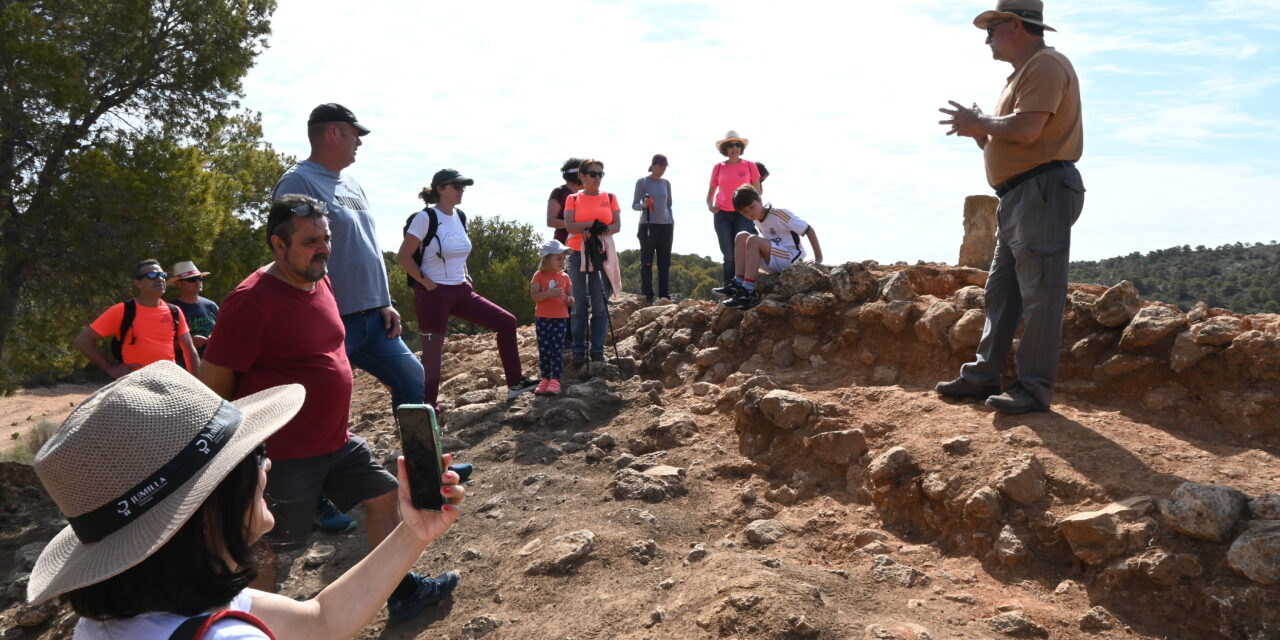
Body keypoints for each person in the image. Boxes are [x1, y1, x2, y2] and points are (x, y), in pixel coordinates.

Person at [26, 361, 465, 639]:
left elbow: (320, 621)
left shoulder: (124, 614)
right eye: (254, 454)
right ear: (206, 508)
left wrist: (412, 534)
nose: (269, 464)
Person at [200, 195, 460, 623]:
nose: (322, 248)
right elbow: (214, 386)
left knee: (384, 497)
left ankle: (402, 592)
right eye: (309, 241)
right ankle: (252, 629)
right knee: (268, 549)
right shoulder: (250, 302)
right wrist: (241, 462)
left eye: (326, 239)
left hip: (335, 441)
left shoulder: (319, 278)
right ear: (278, 245)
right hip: (283, 454)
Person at [935, 0, 1084, 414]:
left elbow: (1028, 127)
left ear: (1015, 25)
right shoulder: (1022, 74)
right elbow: (1011, 137)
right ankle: (984, 375)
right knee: (1002, 292)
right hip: (1020, 195)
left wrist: (981, 123)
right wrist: (979, 131)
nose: (986, 37)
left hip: (1041, 191)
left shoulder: (1046, 65)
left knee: (1040, 293)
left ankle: (1034, 388)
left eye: (992, 27)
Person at [274, 103, 424, 413]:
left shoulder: (352, 184)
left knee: (412, 379)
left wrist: (384, 300)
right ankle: (323, 462)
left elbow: (365, 243)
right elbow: (287, 252)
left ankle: (423, 463)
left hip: (373, 316)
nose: (360, 142)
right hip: (330, 318)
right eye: (355, 134)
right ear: (333, 132)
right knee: (324, 404)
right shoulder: (297, 183)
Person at [397, 169, 538, 408]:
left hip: (461, 291)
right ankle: (428, 408)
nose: (462, 190)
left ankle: (515, 384)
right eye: (457, 186)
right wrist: (427, 283)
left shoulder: (460, 216)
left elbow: (460, 252)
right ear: (441, 189)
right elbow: (403, 257)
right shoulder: (425, 218)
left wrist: (466, 275)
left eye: (464, 186)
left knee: (506, 321)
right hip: (433, 294)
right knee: (432, 354)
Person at [74, 259, 200, 378]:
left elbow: (189, 349)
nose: (160, 279)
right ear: (137, 283)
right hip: (135, 383)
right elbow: (83, 340)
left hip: (168, 380)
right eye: (152, 276)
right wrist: (111, 368)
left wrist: (197, 384)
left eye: (162, 275)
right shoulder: (122, 310)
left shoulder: (175, 311)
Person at [721, 185, 824, 310]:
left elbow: (808, 229)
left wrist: (818, 258)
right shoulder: (757, 220)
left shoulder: (779, 214)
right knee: (741, 236)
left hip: (790, 258)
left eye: (751, 207)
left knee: (753, 240)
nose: (750, 213)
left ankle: (748, 293)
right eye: (745, 212)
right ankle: (738, 283)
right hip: (774, 259)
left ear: (760, 200)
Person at [563, 158, 622, 364]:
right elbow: (570, 226)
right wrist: (594, 225)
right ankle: (578, 349)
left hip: (601, 252)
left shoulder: (611, 197)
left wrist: (593, 228)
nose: (598, 178)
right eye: (593, 174)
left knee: (599, 304)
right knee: (578, 304)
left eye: (600, 174)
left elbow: (617, 225)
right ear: (582, 176)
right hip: (577, 251)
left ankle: (597, 350)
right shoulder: (572, 199)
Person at [705, 130, 761, 292]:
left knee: (743, 253)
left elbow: (757, 192)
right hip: (722, 215)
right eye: (730, 145)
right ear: (725, 149)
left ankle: (745, 288)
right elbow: (710, 193)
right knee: (728, 256)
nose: (734, 148)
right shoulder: (718, 168)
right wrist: (710, 205)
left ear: (741, 148)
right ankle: (728, 288)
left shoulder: (750, 166)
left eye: (737, 145)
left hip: (743, 214)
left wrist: (755, 212)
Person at [529, 239, 574, 395]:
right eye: (558, 258)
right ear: (547, 258)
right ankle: (544, 379)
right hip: (542, 318)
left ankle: (555, 380)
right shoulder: (539, 276)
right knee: (544, 350)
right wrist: (548, 294)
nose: (562, 262)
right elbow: (534, 296)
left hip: (560, 318)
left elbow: (570, 297)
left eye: (564, 259)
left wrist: (569, 300)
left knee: (556, 349)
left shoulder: (565, 277)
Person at [631, 154, 674, 305]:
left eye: (664, 167)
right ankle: (647, 294)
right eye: (660, 166)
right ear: (653, 165)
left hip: (666, 226)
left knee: (664, 262)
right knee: (647, 261)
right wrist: (643, 205)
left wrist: (671, 221)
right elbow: (634, 205)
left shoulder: (666, 183)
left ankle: (664, 295)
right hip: (647, 225)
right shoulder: (642, 182)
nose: (662, 170)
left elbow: (669, 205)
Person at [168, 260, 219, 366]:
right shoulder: (171, 310)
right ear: (179, 284)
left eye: (199, 278)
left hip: (212, 365)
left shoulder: (211, 305)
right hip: (183, 368)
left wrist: (214, 337)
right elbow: (164, 344)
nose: (198, 282)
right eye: (191, 279)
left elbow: (224, 330)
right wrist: (188, 343)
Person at [546, 158, 583, 244]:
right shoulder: (559, 192)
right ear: (578, 175)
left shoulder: (583, 196)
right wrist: (579, 225)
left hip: (581, 245)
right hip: (563, 246)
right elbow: (551, 221)